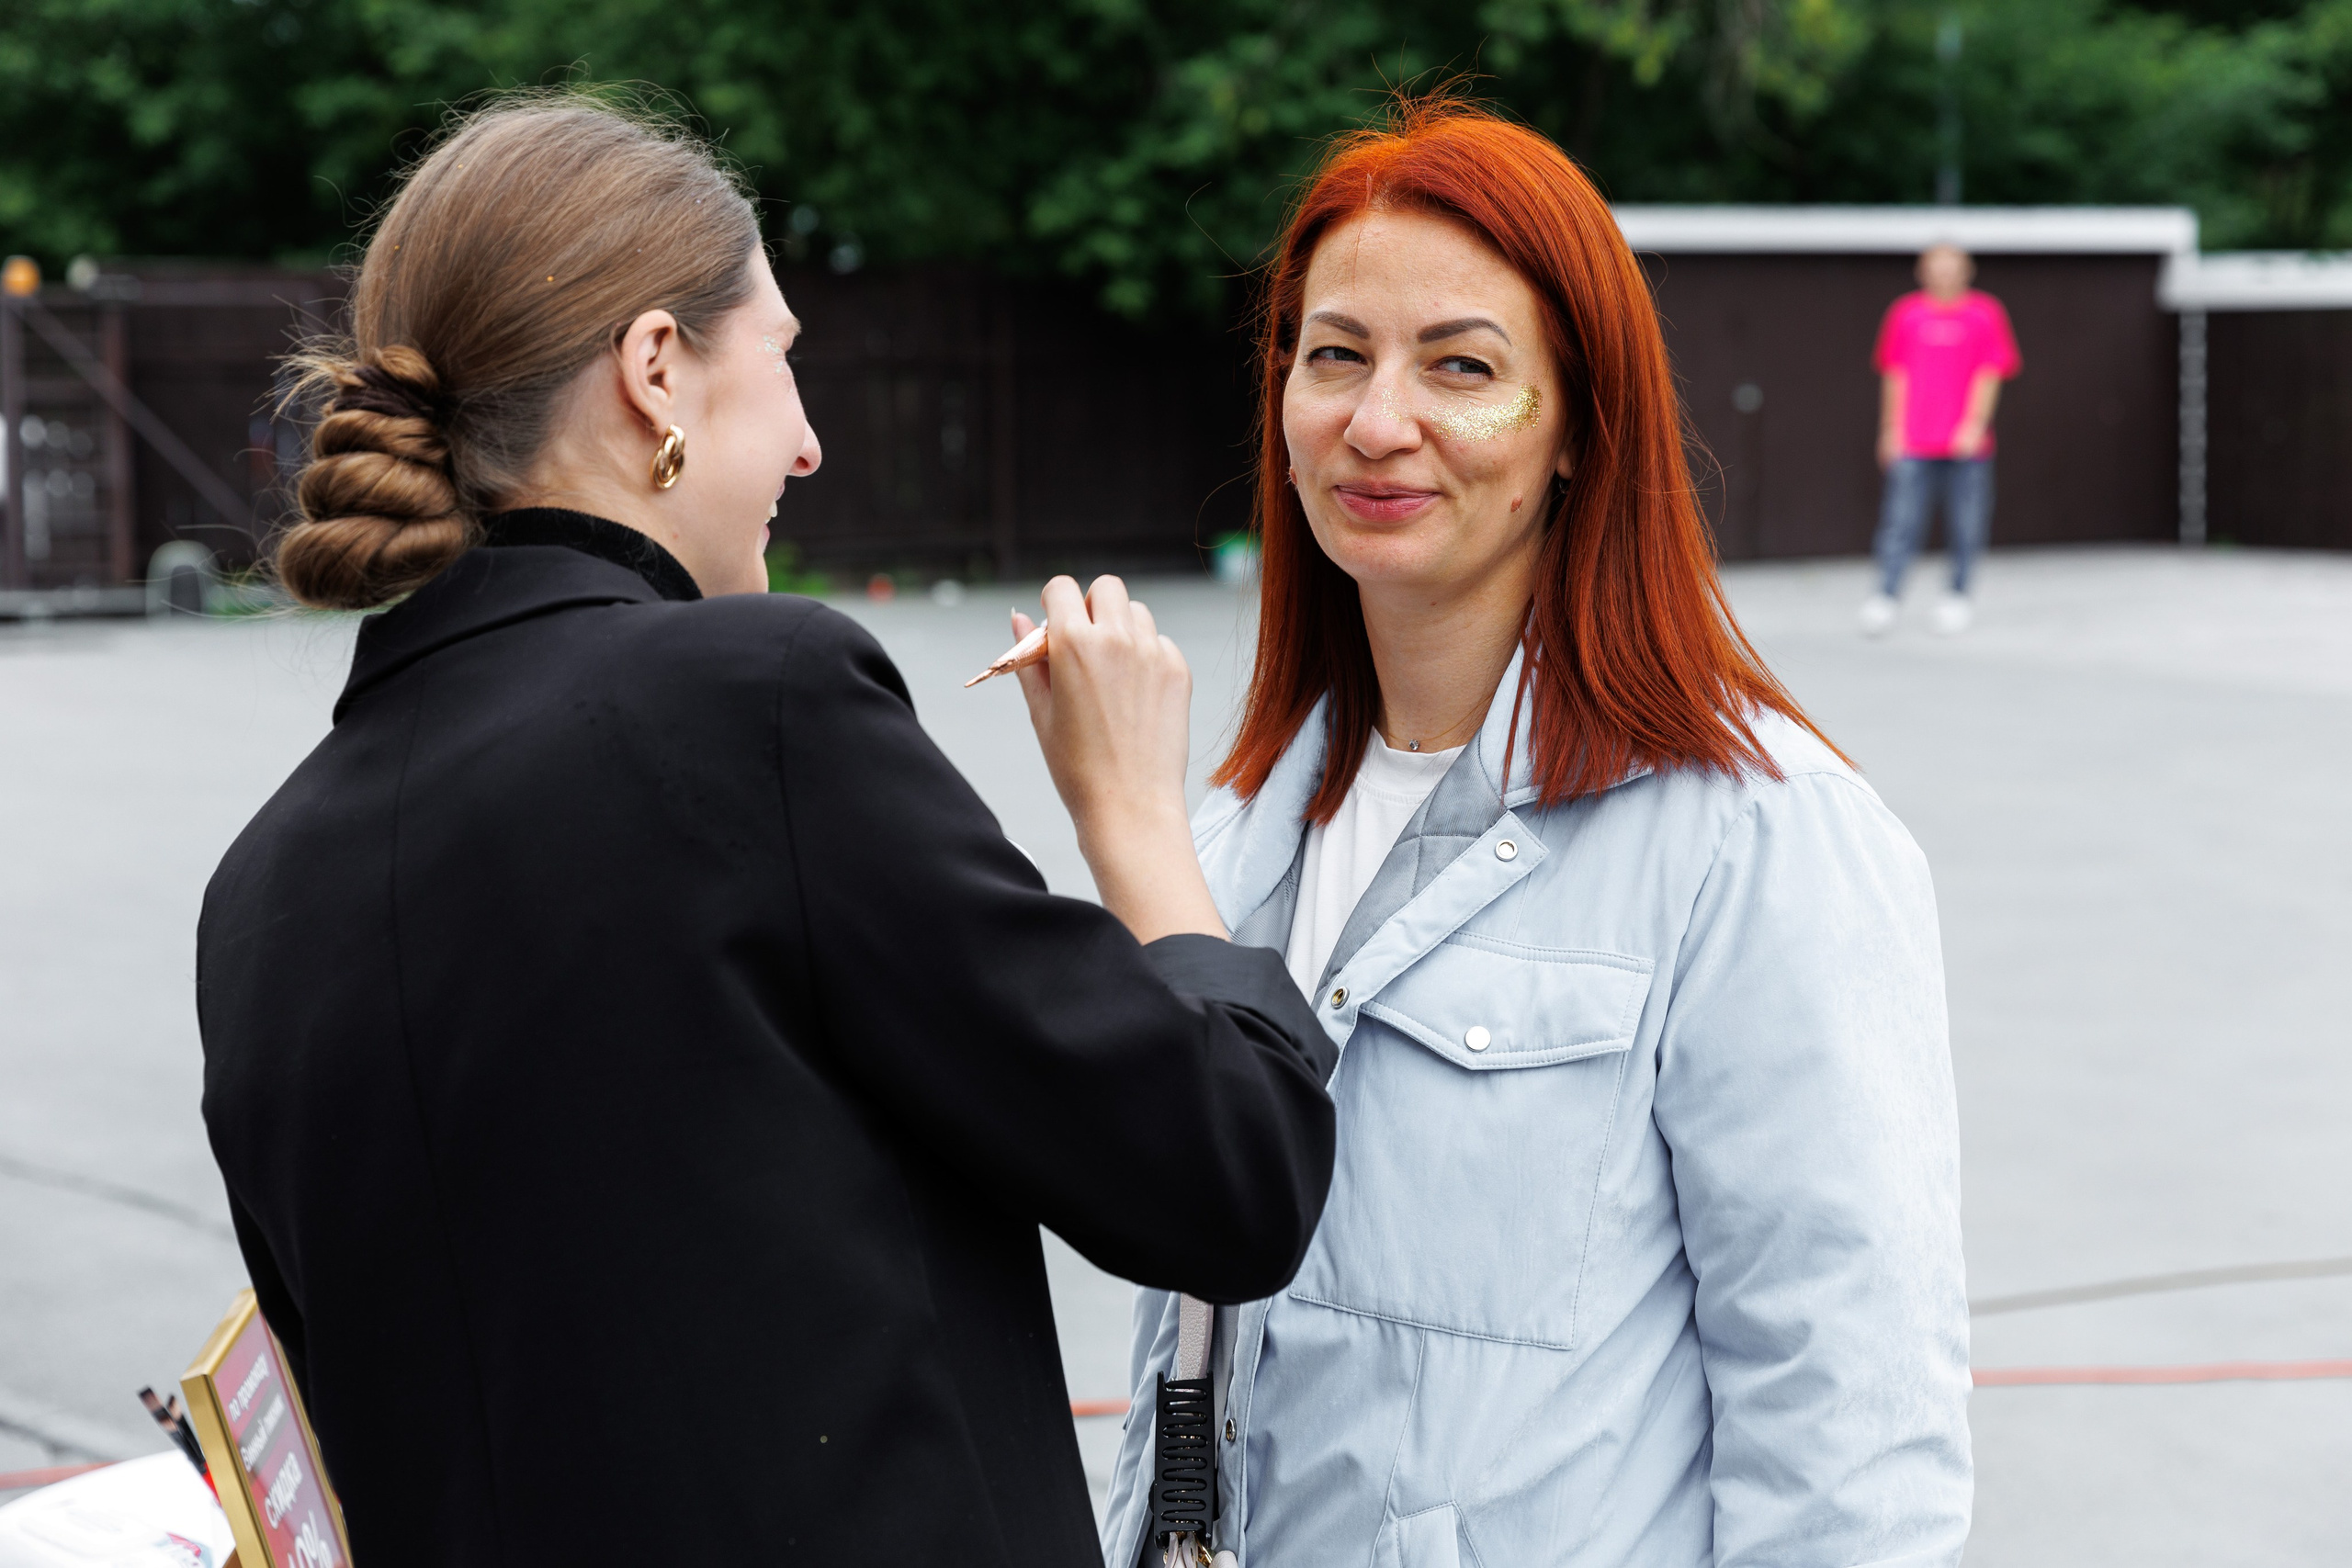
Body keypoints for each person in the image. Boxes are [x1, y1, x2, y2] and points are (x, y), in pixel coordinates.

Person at [196, 93, 1339, 1566]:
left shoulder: (261, 891)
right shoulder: (749, 704)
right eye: (786, 362)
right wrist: (1135, 820)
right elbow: (1225, 1175)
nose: (807, 448)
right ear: (656, 371)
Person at [1100, 100, 1971, 1568]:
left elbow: (1855, 1446)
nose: (1380, 421)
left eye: (1464, 367)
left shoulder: (1759, 842)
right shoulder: (1242, 826)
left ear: (1576, 425)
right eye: (1335, 355)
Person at [1861, 243, 2022, 636]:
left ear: (1966, 272)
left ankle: (1958, 595)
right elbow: (1894, 373)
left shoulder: (1985, 313)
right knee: (1900, 522)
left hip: (1966, 446)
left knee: (1966, 523)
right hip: (1913, 442)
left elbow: (1991, 372)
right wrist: (1891, 428)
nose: (1944, 274)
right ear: (1923, 272)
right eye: (1937, 267)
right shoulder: (1905, 314)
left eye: (1952, 268)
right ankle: (1886, 596)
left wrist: (1974, 424)